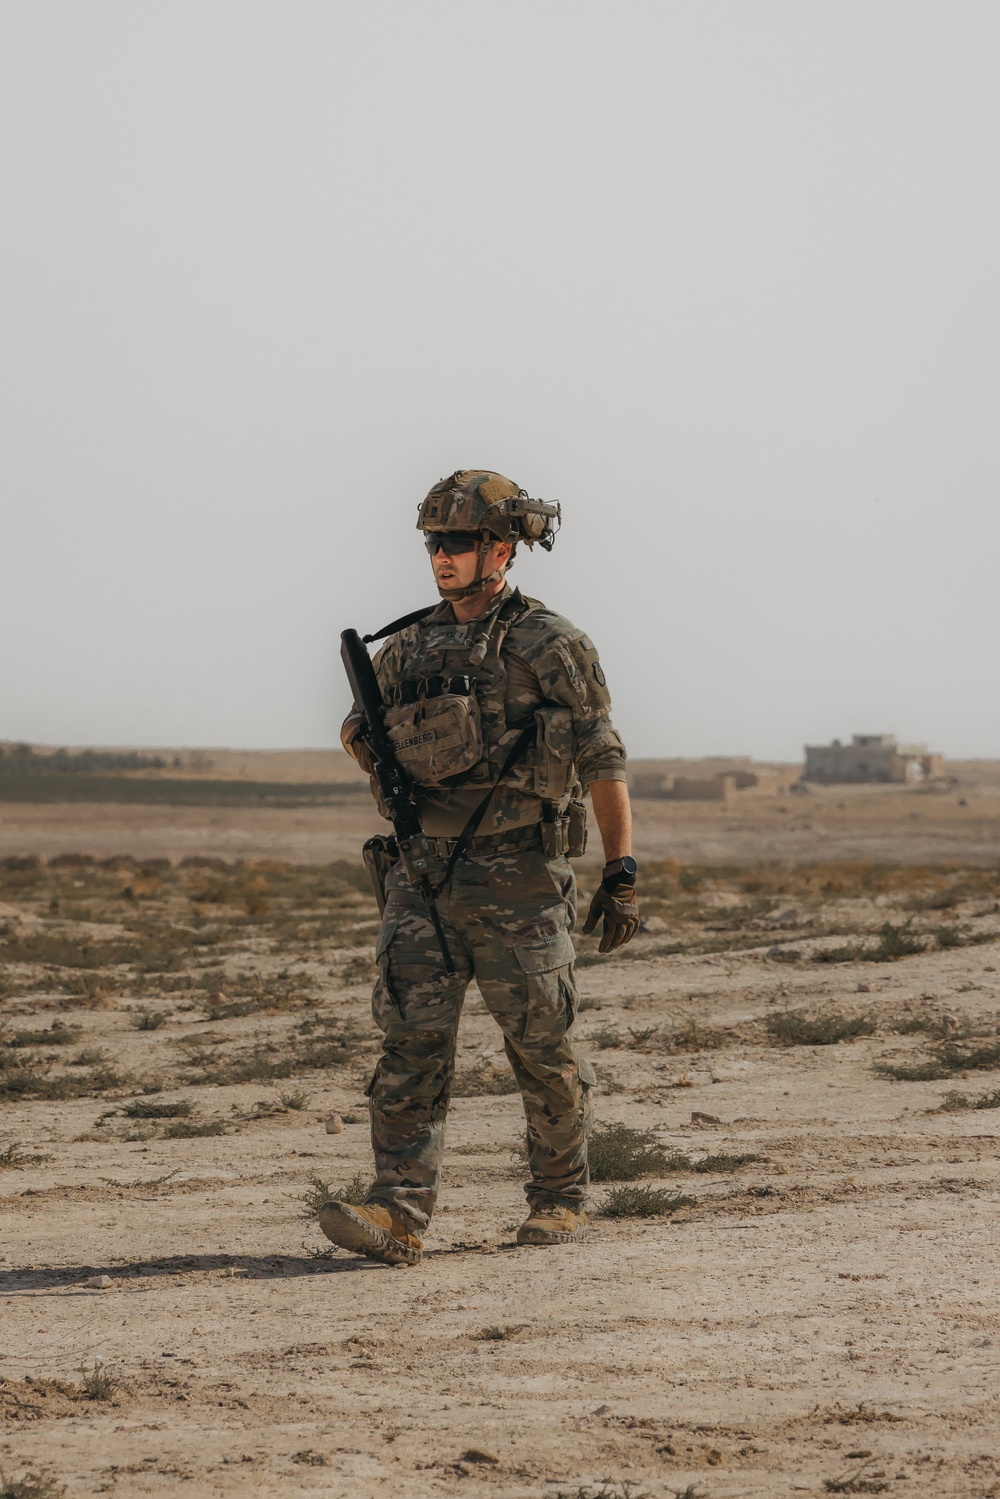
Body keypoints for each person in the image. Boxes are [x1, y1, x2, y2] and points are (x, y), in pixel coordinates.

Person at [319, 470, 639, 1267]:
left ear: (502, 547)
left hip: (521, 879)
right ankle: (397, 1213)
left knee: (542, 1046)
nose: (443, 557)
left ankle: (559, 1198)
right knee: (408, 1050)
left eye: (458, 542)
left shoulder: (550, 644)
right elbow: (364, 733)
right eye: (435, 542)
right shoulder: (408, 648)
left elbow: (603, 757)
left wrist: (621, 867)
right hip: (420, 878)